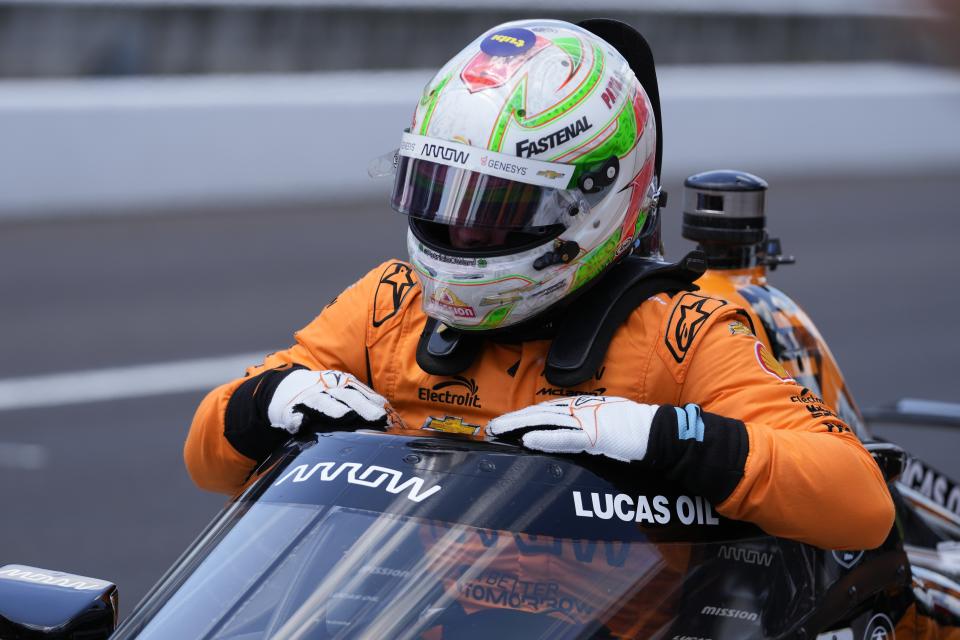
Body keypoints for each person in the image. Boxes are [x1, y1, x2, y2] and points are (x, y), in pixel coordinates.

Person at [184, 18, 893, 551]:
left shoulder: (681, 335)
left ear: (597, 200)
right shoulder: (387, 305)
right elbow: (208, 461)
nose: (461, 236)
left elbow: (860, 502)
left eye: (494, 212)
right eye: (441, 196)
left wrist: (666, 438)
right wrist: (261, 405)